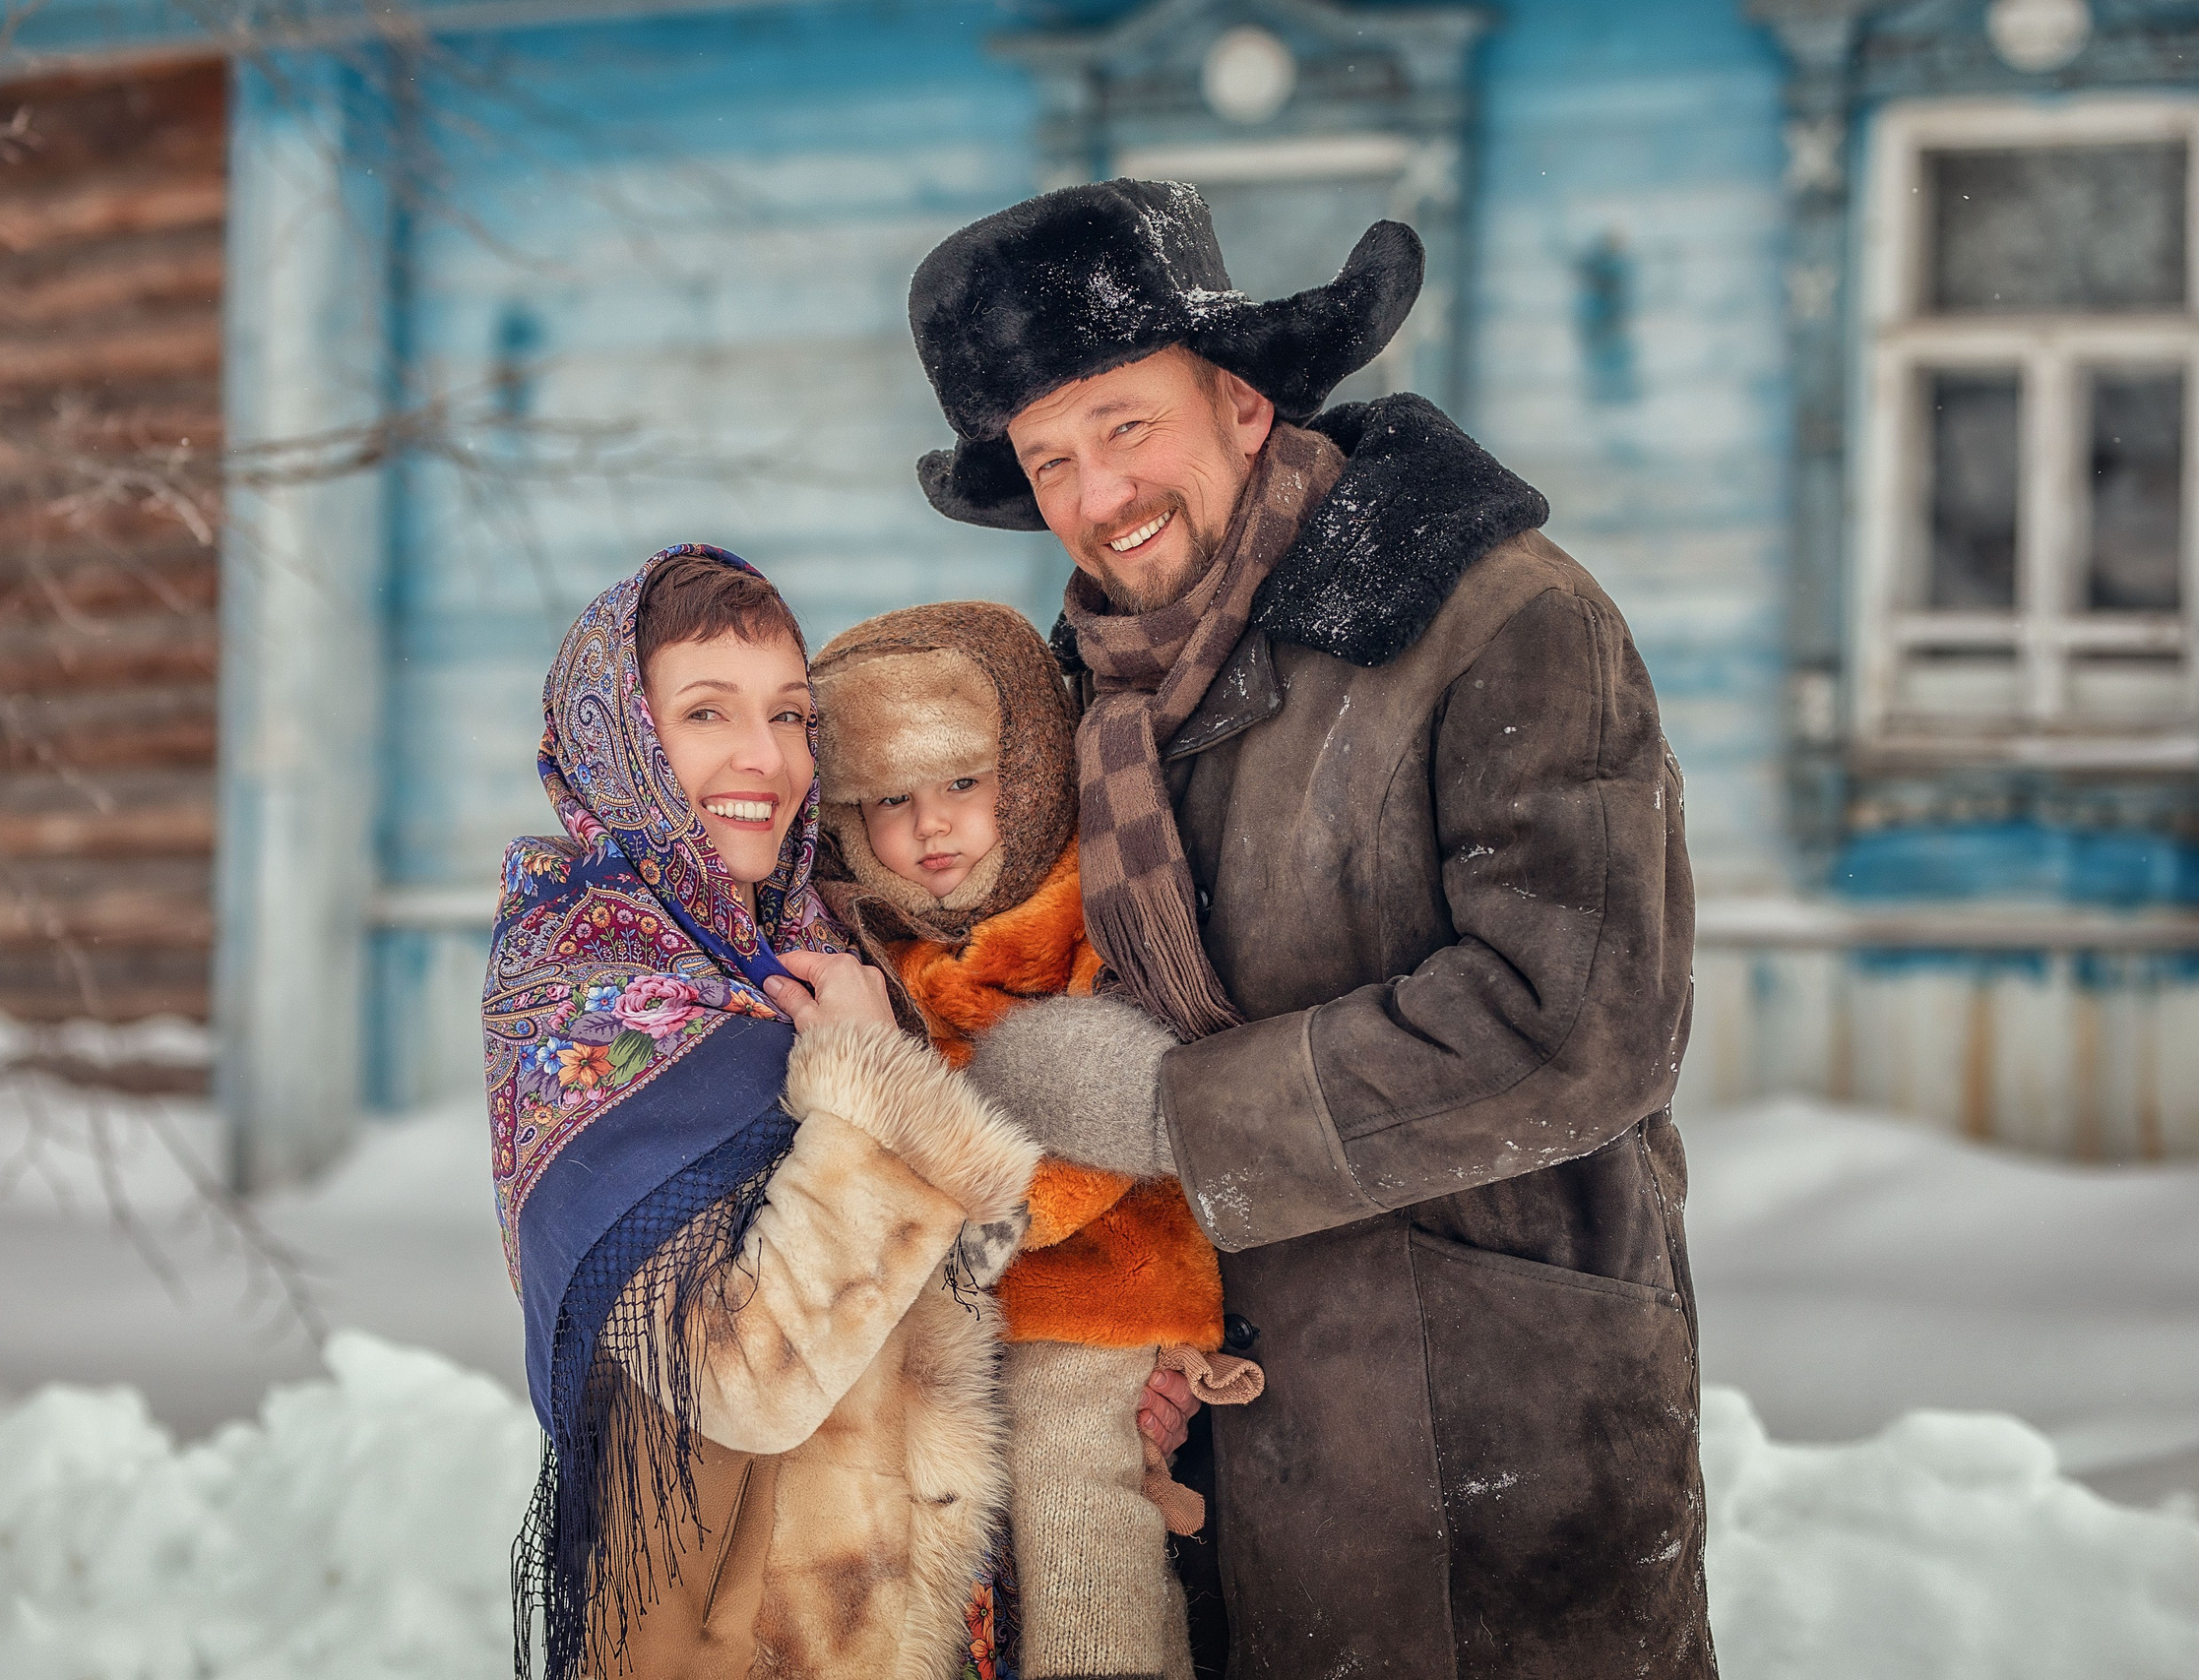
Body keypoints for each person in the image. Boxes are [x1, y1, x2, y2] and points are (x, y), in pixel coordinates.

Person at [904, 181, 1713, 1678]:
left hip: (1490, 1444)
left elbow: (1578, 1024)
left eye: (1127, 424)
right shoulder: (1098, 701)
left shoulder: (1498, 618)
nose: (1101, 494)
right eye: (1052, 458)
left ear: (1246, 402)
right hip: (1221, 1457)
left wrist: (1171, 1111)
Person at [484, 545, 1040, 1680]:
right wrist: (866, 1081)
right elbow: (738, 1377)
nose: (766, 759)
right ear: (624, 746)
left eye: (791, 716)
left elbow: (958, 1274)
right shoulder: (585, 991)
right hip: (739, 1639)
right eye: (705, 713)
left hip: (913, 1616)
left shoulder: (819, 953)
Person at [808, 601, 1262, 1680]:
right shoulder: (879, 946)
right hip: (968, 1311)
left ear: (1027, 769)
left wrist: (992, 1214)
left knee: (1076, 1492)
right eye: (889, 801)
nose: (931, 828)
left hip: (1104, 1285)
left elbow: (1114, 1114)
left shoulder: (1087, 909)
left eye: (963, 784)